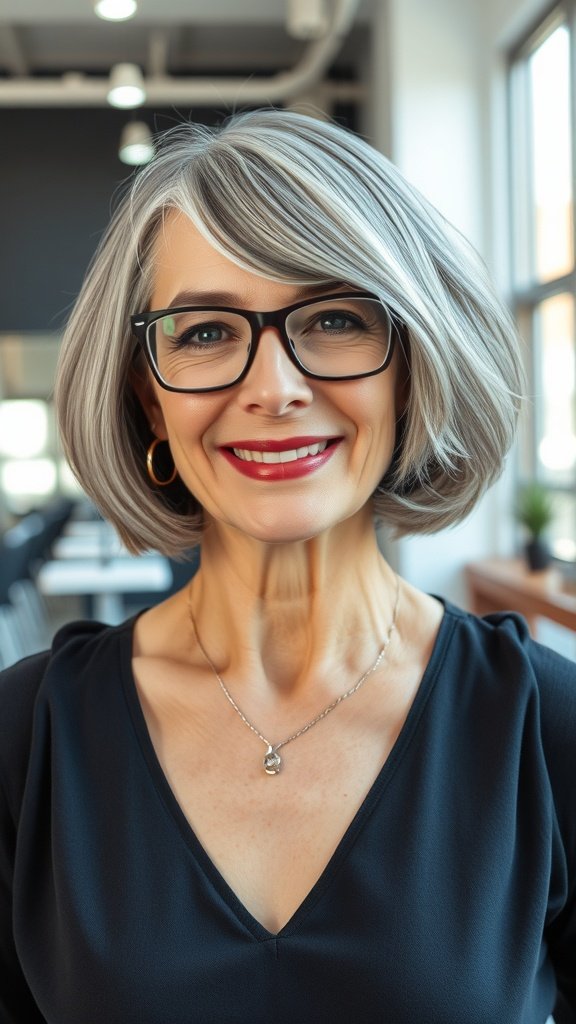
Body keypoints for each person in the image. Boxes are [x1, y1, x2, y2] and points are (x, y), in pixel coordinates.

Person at [0, 108, 574, 1024]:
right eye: (204, 333)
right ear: (148, 398)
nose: (273, 388)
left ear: (413, 364)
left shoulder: (544, 727)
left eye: (336, 317)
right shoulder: (28, 738)